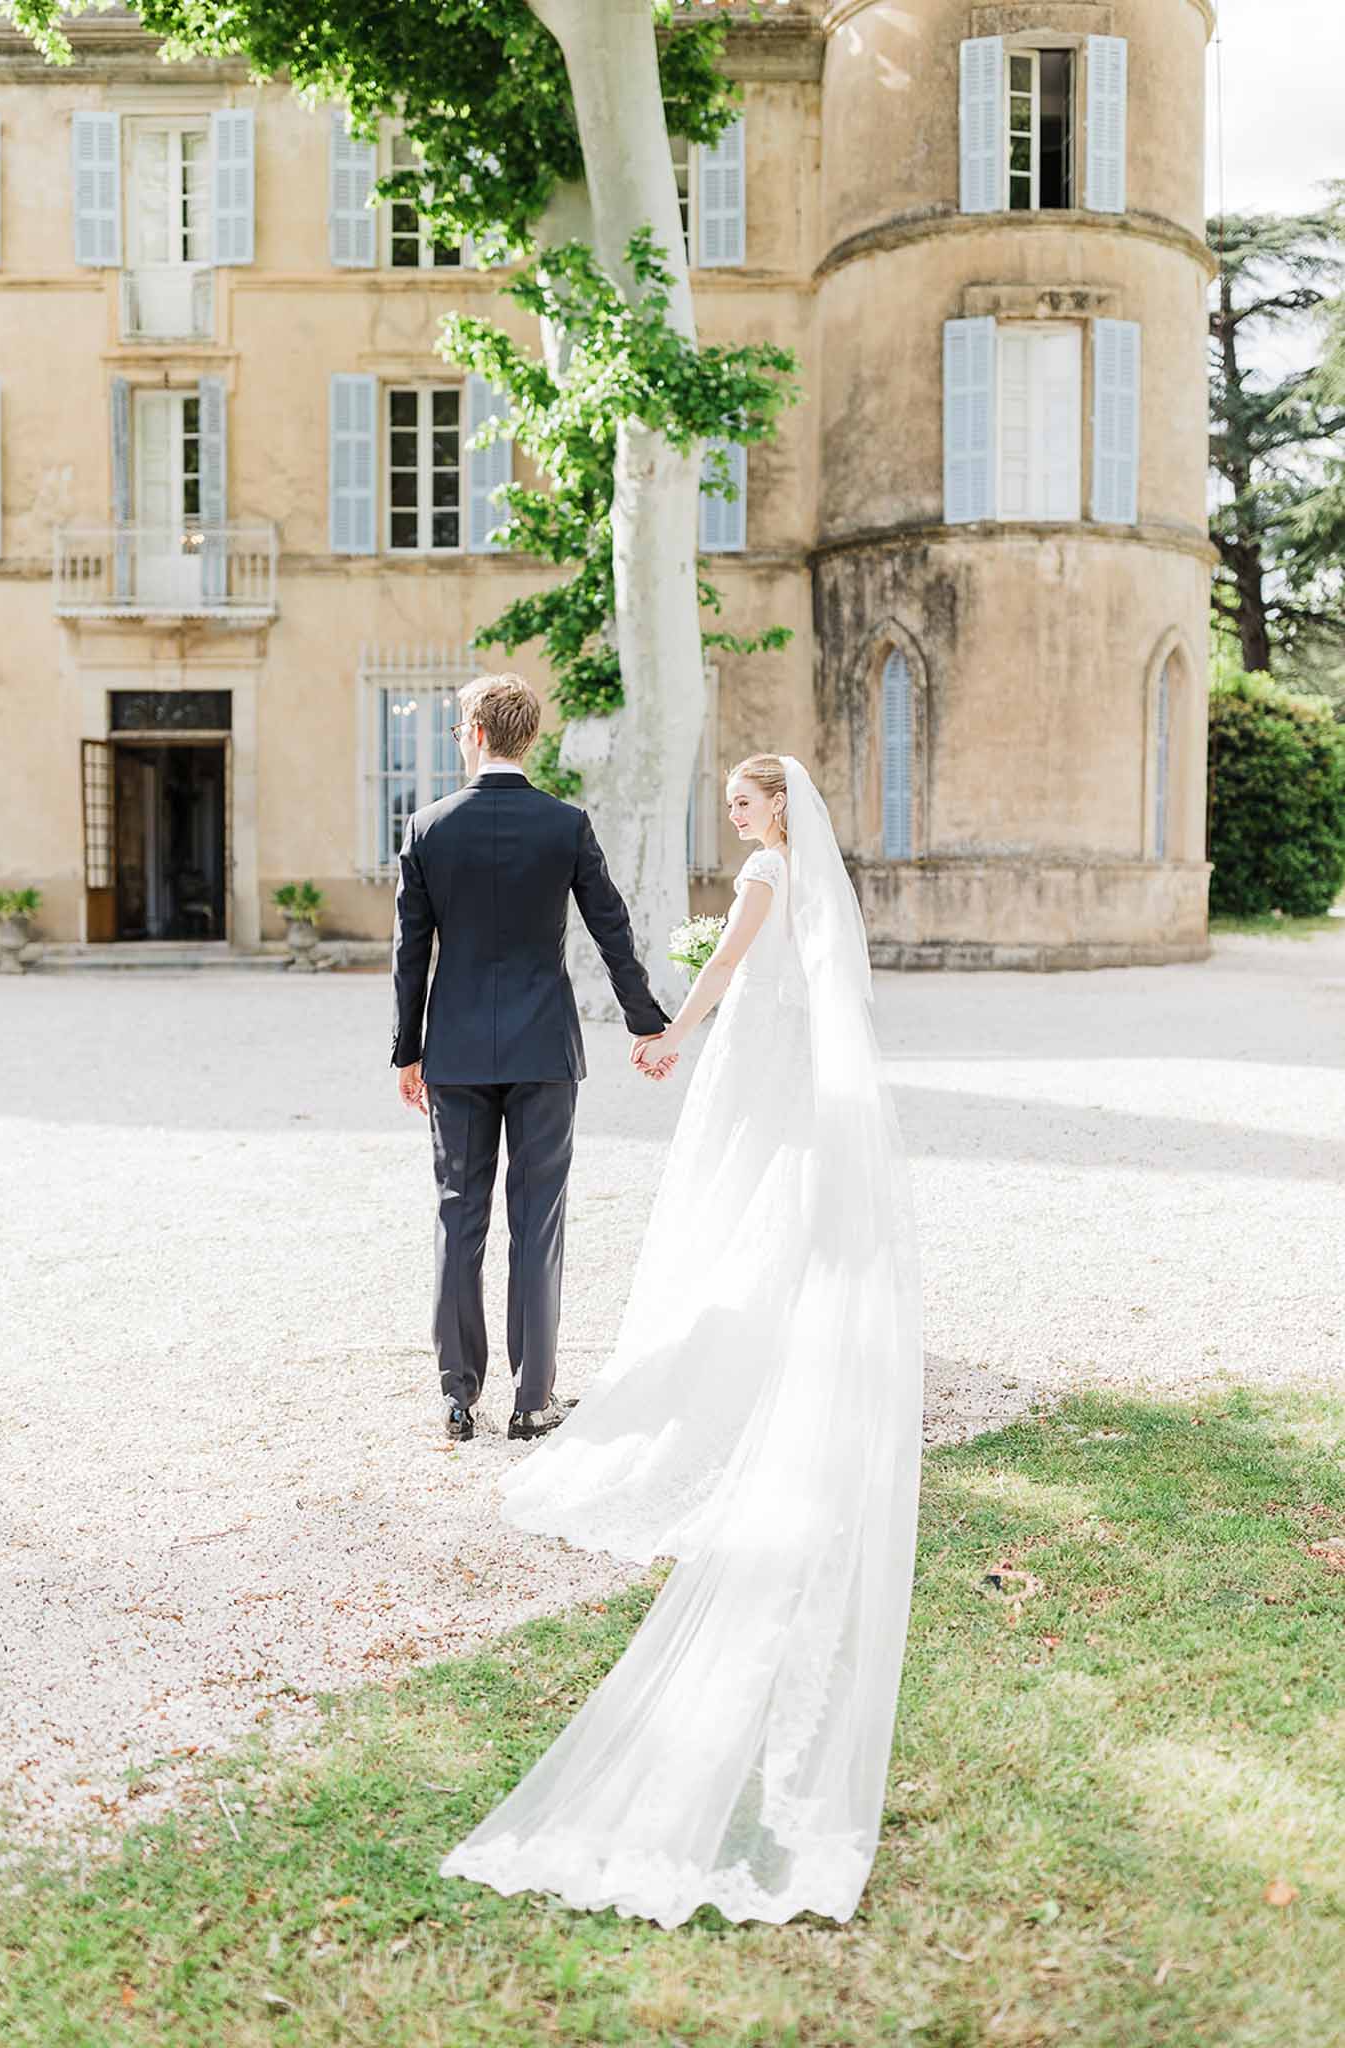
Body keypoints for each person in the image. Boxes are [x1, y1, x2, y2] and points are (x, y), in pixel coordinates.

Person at [441, 754, 924, 1929]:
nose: (737, 818)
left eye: (742, 802)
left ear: (772, 806)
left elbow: (733, 970)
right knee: (766, 1204)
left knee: (733, 1197)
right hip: (790, 1064)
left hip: (755, 1064)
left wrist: (669, 1027)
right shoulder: (811, 872)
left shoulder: (767, 874)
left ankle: (725, 1363)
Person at [390, 673, 671, 1443]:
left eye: (457, 729)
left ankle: (457, 1399)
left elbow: (410, 956)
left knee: (458, 1217)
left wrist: (406, 1052)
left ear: (476, 734)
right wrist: (647, 1023)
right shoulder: (565, 825)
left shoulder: (428, 828)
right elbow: (613, 931)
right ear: (526, 738)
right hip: (545, 1048)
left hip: (454, 1054)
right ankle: (533, 1398)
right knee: (538, 1220)